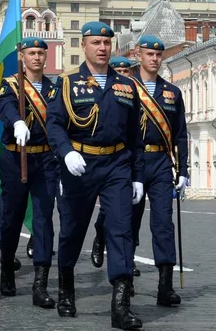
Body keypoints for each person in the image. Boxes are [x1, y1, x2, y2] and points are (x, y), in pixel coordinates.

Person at [47, 21, 144, 329]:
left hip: (116, 164)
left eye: (106, 43)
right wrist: (67, 152)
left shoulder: (126, 86)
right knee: (72, 231)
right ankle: (65, 288)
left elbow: (135, 136)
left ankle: (120, 305)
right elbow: (54, 124)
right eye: (95, 43)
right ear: (84, 46)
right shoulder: (67, 83)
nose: (102, 48)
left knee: (121, 230)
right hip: (80, 164)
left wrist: (137, 176)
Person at [0, 37, 58, 309]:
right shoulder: (10, 84)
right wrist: (18, 121)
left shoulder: (55, 89)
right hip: (15, 156)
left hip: (45, 159)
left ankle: (40, 283)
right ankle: (7, 265)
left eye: (40, 53)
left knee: (44, 220)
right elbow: (7, 107)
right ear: (22, 56)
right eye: (31, 53)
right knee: (12, 218)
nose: (36, 57)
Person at [129, 35, 188, 307]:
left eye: (158, 55)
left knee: (163, 224)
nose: (154, 59)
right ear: (138, 55)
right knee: (129, 221)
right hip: (133, 162)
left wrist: (183, 170)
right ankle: (125, 275)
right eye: (149, 54)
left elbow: (180, 135)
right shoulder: (126, 88)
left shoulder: (172, 93)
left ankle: (165, 285)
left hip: (162, 163)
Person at [90, 55, 136, 271]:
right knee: (111, 215)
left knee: (128, 216)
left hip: (127, 159)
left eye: (126, 72)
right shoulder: (107, 90)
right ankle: (100, 235)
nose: (122, 75)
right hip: (106, 158)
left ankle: (128, 259)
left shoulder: (134, 91)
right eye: (118, 71)